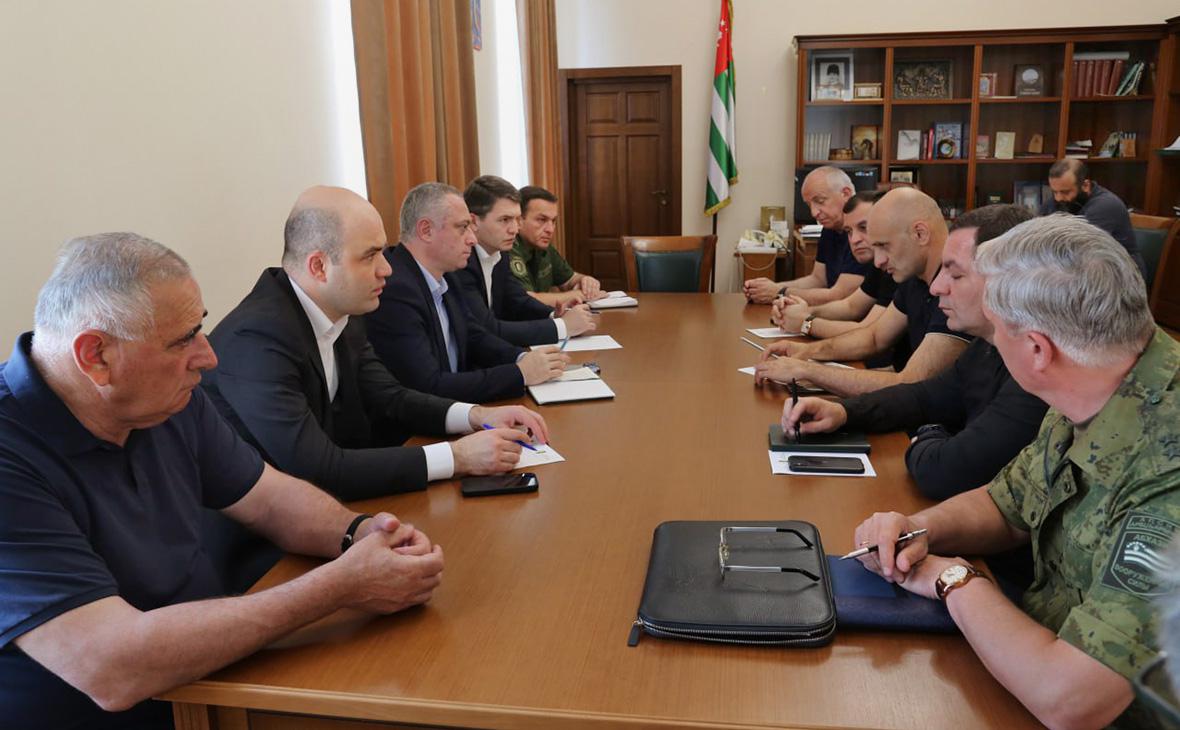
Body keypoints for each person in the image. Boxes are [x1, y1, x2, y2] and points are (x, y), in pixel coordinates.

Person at [0, 233, 444, 730]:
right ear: (96, 357)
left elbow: (268, 498)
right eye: (183, 340)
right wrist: (340, 586)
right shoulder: (11, 455)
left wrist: (359, 532)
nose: (208, 357)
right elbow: (112, 667)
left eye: (200, 328)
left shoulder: (166, 400)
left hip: (218, 681)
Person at [853, 214, 1180, 729]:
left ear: (1035, 350)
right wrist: (918, 528)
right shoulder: (1095, 377)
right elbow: (1007, 504)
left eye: (996, 328)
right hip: (1027, 655)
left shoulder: (1167, 470)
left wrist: (953, 578)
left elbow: (1072, 700)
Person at [780, 204, 1047, 500]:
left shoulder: (1037, 372)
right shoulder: (987, 346)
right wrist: (844, 412)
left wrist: (928, 432)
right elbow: (923, 396)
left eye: (956, 275)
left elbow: (944, 471)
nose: (937, 288)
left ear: (1007, 282)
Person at [754, 187, 970, 397]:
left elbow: (911, 383)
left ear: (920, 233)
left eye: (884, 246)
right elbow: (874, 337)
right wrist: (806, 352)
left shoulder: (957, 288)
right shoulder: (914, 276)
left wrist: (808, 370)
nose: (878, 261)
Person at [367, 182, 568, 403]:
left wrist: (523, 358)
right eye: (463, 227)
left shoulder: (448, 274)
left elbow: (474, 336)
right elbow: (428, 386)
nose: (472, 239)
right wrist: (520, 374)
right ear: (426, 230)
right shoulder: (395, 291)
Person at [452, 175, 596, 347]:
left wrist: (555, 315)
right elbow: (486, 329)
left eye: (517, 219)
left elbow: (518, 300)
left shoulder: (500, 254)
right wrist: (562, 327)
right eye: (505, 220)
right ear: (474, 221)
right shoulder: (460, 262)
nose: (514, 229)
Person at [771, 191, 895, 341]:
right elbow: (851, 306)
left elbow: (869, 335)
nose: (854, 240)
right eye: (849, 232)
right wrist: (801, 312)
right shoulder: (879, 265)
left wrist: (805, 322)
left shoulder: (900, 270)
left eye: (864, 227)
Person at [743, 167, 869, 305]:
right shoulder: (830, 228)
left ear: (845, 194)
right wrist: (767, 289)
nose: (814, 213)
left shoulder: (863, 236)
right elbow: (818, 280)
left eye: (820, 201)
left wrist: (779, 292)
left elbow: (840, 296)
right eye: (809, 205)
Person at [1040, 158, 1147, 279]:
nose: (1058, 198)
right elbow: (1037, 233)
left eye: (1065, 192)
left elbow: (1076, 248)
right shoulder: (1060, 200)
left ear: (1085, 185)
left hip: (1122, 273)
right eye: (1055, 192)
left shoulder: (1105, 205)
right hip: (1082, 268)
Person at [508, 185, 605, 309]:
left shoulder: (544, 247)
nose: (550, 229)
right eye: (541, 220)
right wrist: (580, 295)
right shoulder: (509, 247)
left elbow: (569, 280)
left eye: (553, 221)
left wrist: (584, 281)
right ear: (519, 221)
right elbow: (526, 300)